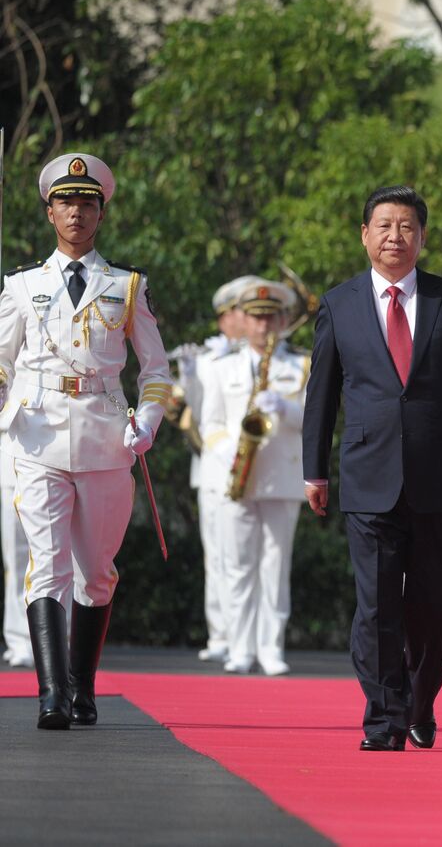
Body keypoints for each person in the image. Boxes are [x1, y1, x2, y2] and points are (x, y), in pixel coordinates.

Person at [302, 185, 442, 752]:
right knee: (377, 604)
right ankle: (384, 718)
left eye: (407, 226)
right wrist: (314, 469)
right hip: (368, 475)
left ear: (422, 237)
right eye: (385, 226)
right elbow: (322, 393)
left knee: (436, 603)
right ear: (365, 234)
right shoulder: (339, 303)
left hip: (441, 475)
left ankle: (419, 699)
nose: (395, 236)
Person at [0, 153, 172, 729]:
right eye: (65, 202)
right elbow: (2, 360)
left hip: (104, 437)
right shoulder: (22, 285)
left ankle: (81, 685)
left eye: (86, 202)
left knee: (95, 573)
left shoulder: (126, 284)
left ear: (101, 212)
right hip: (37, 436)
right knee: (46, 564)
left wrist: (148, 422)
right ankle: (51, 694)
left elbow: (156, 370)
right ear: (49, 212)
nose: (76, 211)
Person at [200, 279, 307, 676]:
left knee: (275, 566)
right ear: (243, 320)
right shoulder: (221, 367)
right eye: (256, 318)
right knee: (237, 564)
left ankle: (271, 647)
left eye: (270, 318)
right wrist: (229, 450)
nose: (263, 326)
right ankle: (240, 646)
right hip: (236, 475)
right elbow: (210, 424)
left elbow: (315, 418)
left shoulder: (300, 366)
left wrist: (284, 408)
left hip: (281, 476)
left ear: (282, 320)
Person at [173, 276, 253, 664]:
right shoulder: (208, 357)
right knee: (218, 555)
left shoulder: (261, 355)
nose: (245, 318)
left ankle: (245, 637)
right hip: (213, 466)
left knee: (246, 558)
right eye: (239, 311)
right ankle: (220, 632)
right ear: (225, 318)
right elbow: (190, 411)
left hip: (253, 468)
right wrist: (188, 373)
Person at [1, 457, 31, 667]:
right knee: (14, 559)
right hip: (11, 467)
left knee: (59, 560)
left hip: (52, 465)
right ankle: (19, 641)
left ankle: (62, 639)